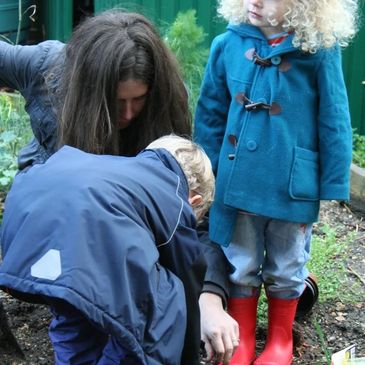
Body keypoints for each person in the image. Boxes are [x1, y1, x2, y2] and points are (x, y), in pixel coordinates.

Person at [194, 0, 358, 363]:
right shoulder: (228, 45)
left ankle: (281, 339)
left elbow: (334, 115)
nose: (255, 1)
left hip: (291, 183)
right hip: (237, 182)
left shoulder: (317, 51)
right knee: (242, 261)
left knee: (287, 263)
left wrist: (332, 182)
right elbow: (211, 114)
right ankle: (244, 335)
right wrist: (207, 172)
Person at [0, 135, 215, 365]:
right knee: (170, 297)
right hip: (84, 247)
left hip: (25, 232)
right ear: (194, 200)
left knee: (74, 311)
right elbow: (187, 275)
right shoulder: (176, 196)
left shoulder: (121, 170)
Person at [0, 10, 191, 170]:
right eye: (117, 101)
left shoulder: (168, 97)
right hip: (47, 196)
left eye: (139, 99)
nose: (128, 113)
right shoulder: (45, 66)